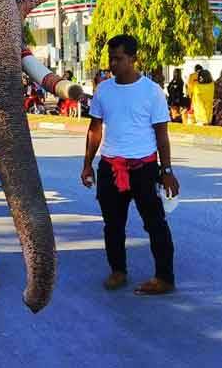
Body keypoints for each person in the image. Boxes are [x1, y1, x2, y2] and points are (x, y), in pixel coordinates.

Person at [81, 34, 178, 296]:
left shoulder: (152, 91)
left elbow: (161, 134)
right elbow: (95, 130)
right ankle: (118, 270)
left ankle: (164, 277)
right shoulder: (104, 90)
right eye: (111, 58)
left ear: (134, 59)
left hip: (144, 169)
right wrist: (88, 165)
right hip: (111, 168)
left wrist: (166, 170)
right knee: (112, 225)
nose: (113, 64)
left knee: (155, 224)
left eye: (119, 58)